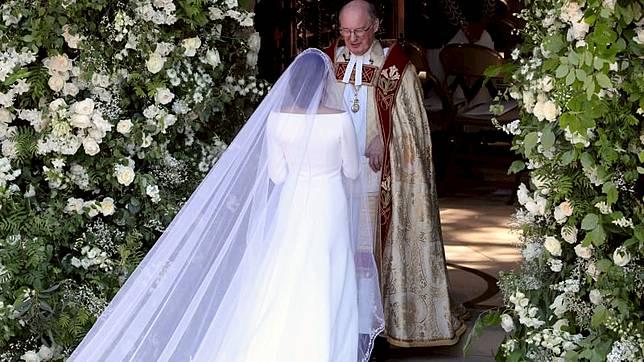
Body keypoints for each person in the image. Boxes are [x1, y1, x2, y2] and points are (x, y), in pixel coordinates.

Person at [68, 49, 384, 362]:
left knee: (288, 273)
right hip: (328, 204)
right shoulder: (340, 119)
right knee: (330, 274)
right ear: (325, 82)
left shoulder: (276, 119)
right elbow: (352, 171)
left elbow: (277, 173)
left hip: (292, 203)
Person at [324, 0, 465, 348]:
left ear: (375, 26)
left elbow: (413, 131)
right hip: (334, 177)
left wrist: (384, 140)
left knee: (368, 251)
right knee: (338, 249)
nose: (352, 38)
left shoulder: (394, 67)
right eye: (346, 31)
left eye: (359, 31)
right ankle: (343, 319)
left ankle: (377, 322)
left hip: (376, 178)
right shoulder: (328, 61)